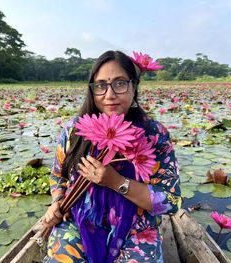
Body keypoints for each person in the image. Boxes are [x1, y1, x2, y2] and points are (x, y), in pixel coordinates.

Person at [42, 50, 181, 263]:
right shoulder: (75, 131)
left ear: (133, 85)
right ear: (92, 90)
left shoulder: (154, 135)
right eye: (100, 85)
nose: (109, 95)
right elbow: (58, 177)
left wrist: (116, 182)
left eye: (119, 83)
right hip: (79, 221)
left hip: (136, 228)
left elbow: (171, 201)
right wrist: (58, 202)